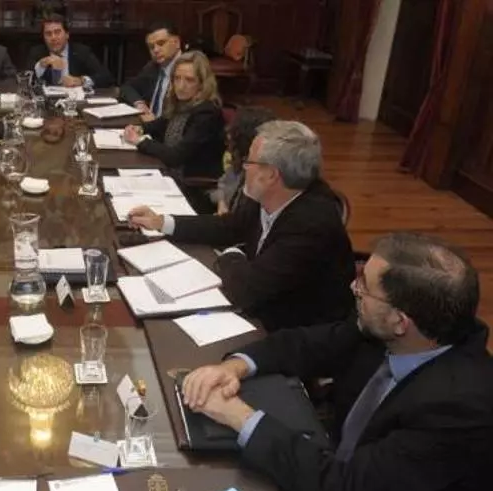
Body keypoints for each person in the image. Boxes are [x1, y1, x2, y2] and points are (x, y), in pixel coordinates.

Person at [181, 232, 493, 491]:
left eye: (364, 286)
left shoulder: (460, 409)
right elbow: (304, 344)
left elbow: (346, 486)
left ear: (400, 322)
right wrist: (233, 367)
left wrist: (240, 416)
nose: (353, 288)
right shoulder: (396, 330)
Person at [128, 120, 354, 331]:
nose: (244, 167)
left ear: (271, 175)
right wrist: (162, 222)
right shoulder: (270, 194)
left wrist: (231, 254)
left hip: (295, 331)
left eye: (250, 161)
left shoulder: (310, 225)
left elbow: (247, 291)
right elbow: (231, 227)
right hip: (262, 303)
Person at [122, 51, 226, 179]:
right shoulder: (182, 102)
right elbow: (162, 123)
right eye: (177, 78)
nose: (181, 86)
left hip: (190, 182)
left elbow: (176, 156)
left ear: (202, 84)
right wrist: (140, 128)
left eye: (189, 80)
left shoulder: (207, 113)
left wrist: (139, 141)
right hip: (168, 171)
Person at [211, 106, 277, 215]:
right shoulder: (239, 158)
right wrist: (221, 203)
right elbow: (223, 184)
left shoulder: (264, 175)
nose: (228, 134)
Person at [26, 14, 113, 88]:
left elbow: (105, 77)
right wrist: (41, 66)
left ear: (67, 34)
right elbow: (25, 81)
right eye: (48, 34)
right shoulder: (36, 52)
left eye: (57, 32)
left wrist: (80, 81)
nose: (53, 38)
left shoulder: (82, 51)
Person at [119, 21, 182, 119]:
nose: (156, 50)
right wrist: (139, 104)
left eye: (161, 43)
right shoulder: (153, 67)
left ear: (177, 42)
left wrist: (153, 124)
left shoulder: (189, 69)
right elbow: (127, 87)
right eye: (151, 47)